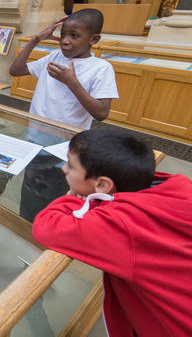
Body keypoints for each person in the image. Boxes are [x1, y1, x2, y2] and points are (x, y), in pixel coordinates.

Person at [33, 128, 192, 337]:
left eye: (71, 166)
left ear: (102, 184)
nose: (64, 169)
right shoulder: (175, 186)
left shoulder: (123, 224)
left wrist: (73, 197)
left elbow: (46, 227)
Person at [9, 8, 119, 221]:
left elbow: (101, 112)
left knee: (55, 196)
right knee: (31, 190)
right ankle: (26, 227)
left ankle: (50, 236)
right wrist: (36, 39)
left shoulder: (101, 68)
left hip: (65, 149)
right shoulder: (54, 57)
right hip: (35, 140)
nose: (65, 41)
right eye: (63, 35)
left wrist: (72, 82)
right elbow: (16, 70)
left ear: (93, 39)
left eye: (74, 36)